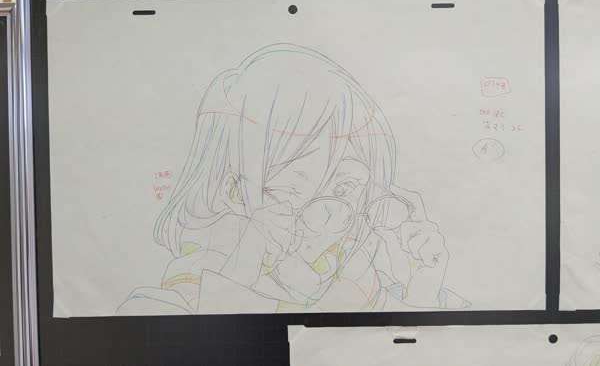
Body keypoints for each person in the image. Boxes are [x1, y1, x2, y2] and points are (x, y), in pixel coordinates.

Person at [118, 44, 468, 315]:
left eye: (347, 188)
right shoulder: (165, 308)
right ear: (236, 192)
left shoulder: (363, 286)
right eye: (299, 187)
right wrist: (241, 272)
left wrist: (421, 293)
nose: (338, 217)